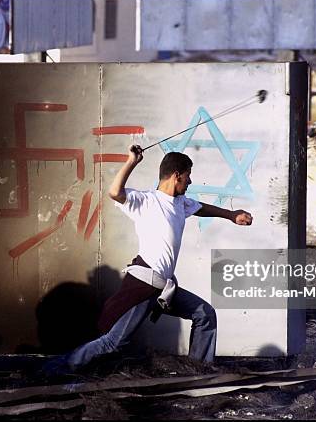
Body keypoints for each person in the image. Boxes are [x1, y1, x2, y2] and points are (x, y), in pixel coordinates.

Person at [42, 145, 253, 374]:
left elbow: (202, 208)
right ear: (177, 176)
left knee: (204, 314)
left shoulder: (181, 204)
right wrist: (132, 161)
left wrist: (231, 215)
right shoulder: (146, 201)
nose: (190, 182)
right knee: (113, 343)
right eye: (188, 176)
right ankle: (54, 369)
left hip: (165, 288)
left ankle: (199, 370)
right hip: (145, 284)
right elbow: (115, 192)